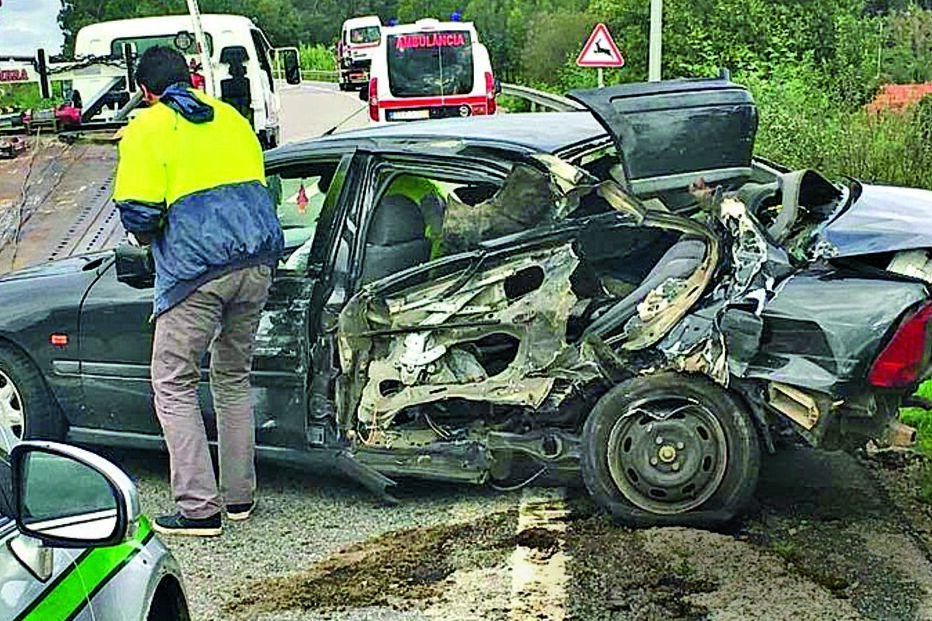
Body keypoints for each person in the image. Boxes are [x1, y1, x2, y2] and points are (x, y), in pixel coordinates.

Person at [113, 46, 284, 537]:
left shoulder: (147, 126)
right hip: (256, 264)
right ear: (189, 78)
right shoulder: (230, 117)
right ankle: (239, 498)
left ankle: (198, 509)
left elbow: (141, 214)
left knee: (173, 383)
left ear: (145, 91)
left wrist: (153, 239)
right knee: (232, 378)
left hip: (198, 272)